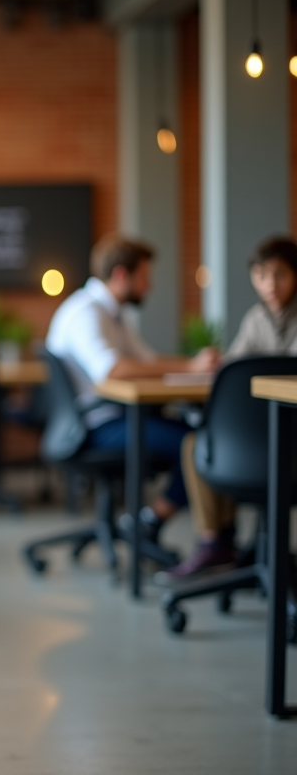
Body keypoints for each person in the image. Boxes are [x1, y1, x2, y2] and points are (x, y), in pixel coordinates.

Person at [45, 234, 219, 546]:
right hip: (92, 427)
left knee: (202, 437)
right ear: (122, 275)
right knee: (199, 445)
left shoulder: (113, 313)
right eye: (145, 277)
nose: (149, 287)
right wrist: (190, 369)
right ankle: (150, 524)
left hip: (110, 417)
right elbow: (111, 368)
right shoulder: (86, 313)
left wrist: (194, 364)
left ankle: (149, 523)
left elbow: (148, 361)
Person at [159, 235, 297, 582]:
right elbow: (236, 369)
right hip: (258, 434)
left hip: (292, 435)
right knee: (196, 444)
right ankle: (215, 542)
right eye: (261, 275)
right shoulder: (257, 318)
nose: (270, 285)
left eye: (279, 274)